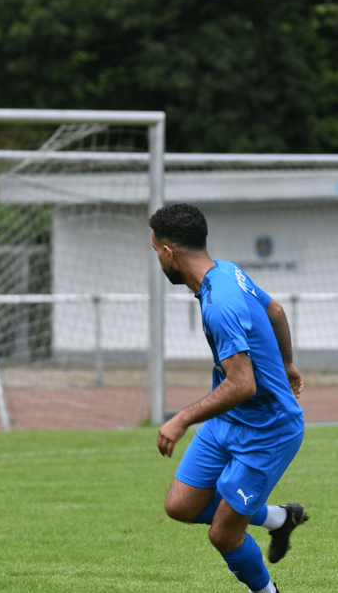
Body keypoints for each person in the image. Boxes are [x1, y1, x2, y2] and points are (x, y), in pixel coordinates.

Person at [149, 203, 307, 593]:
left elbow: (242, 385)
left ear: (168, 252)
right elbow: (275, 309)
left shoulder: (220, 303)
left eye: (155, 251)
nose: (157, 259)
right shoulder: (227, 271)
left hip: (268, 429)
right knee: (180, 506)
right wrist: (287, 364)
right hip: (230, 420)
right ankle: (278, 519)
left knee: (223, 534)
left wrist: (181, 418)